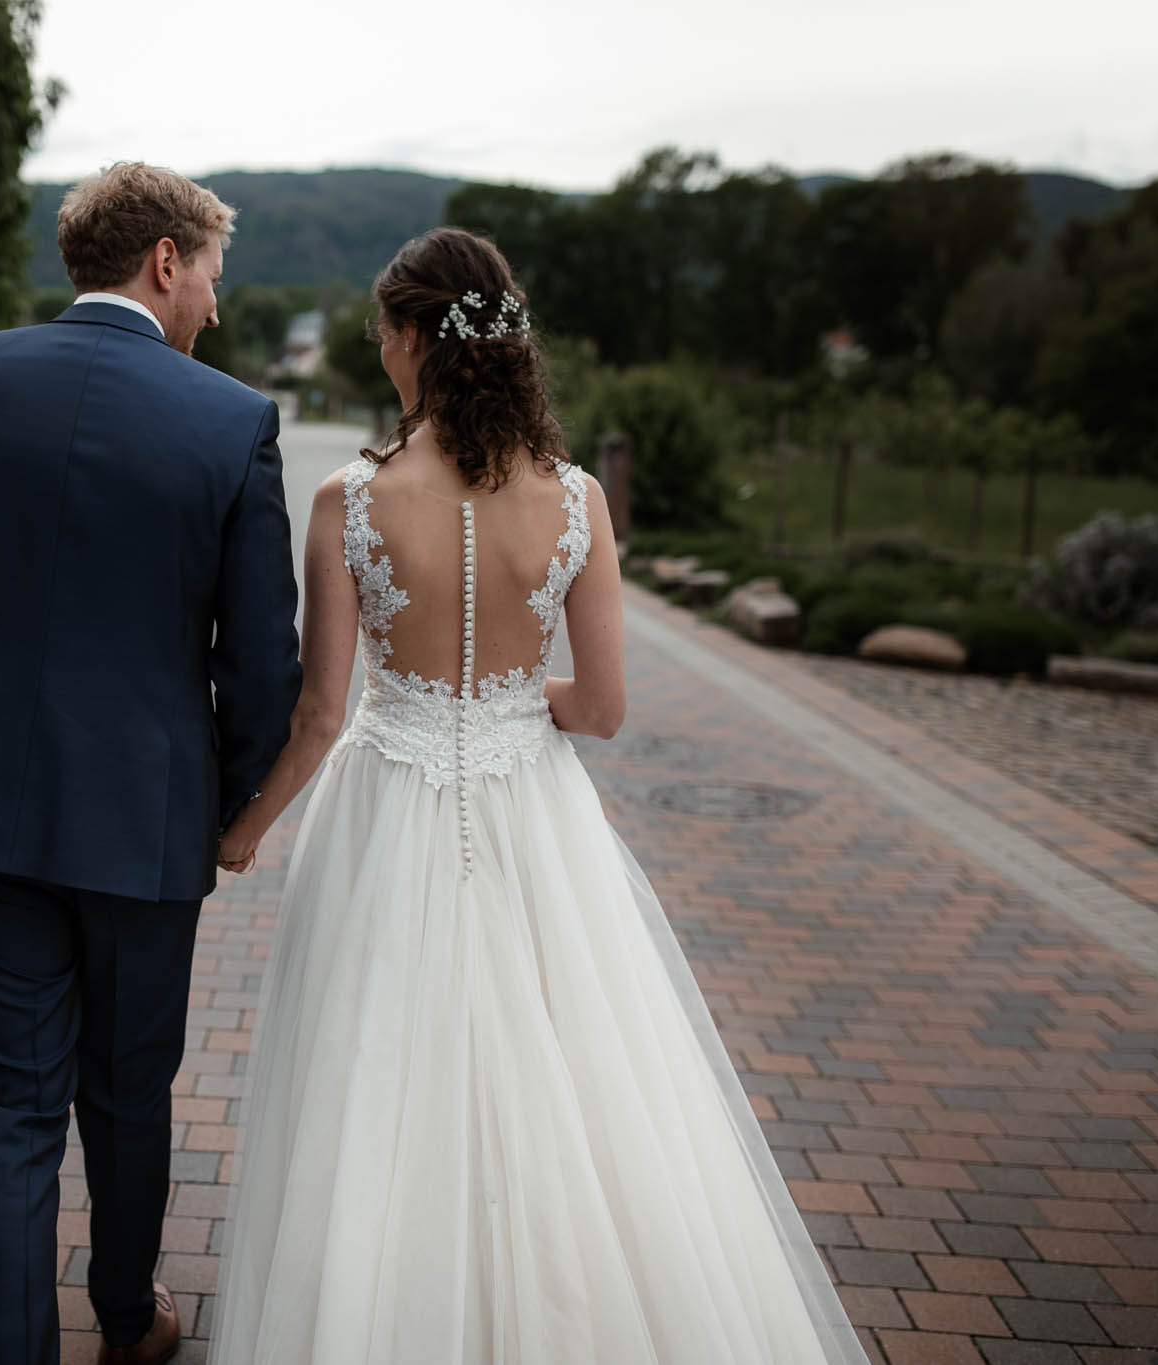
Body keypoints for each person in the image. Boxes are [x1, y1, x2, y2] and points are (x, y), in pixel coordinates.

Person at [208, 227, 869, 1364]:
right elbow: (603, 708)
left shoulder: (345, 502)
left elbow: (318, 714)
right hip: (531, 811)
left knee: (373, 1076)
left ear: (414, 335)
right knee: (572, 1077)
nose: (378, 349)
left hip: (384, 811)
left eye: (380, 332)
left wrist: (245, 829)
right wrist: (515, 702)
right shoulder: (574, 502)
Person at [0, 162, 301, 1365]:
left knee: (12, 1107)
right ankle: (127, 1323)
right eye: (210, 273)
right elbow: (258, 665)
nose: (213, 302)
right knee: (128, 1092)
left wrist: (0, 650)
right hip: (145, 815)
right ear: (163, 261)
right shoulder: (228, 418)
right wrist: (229, 797)